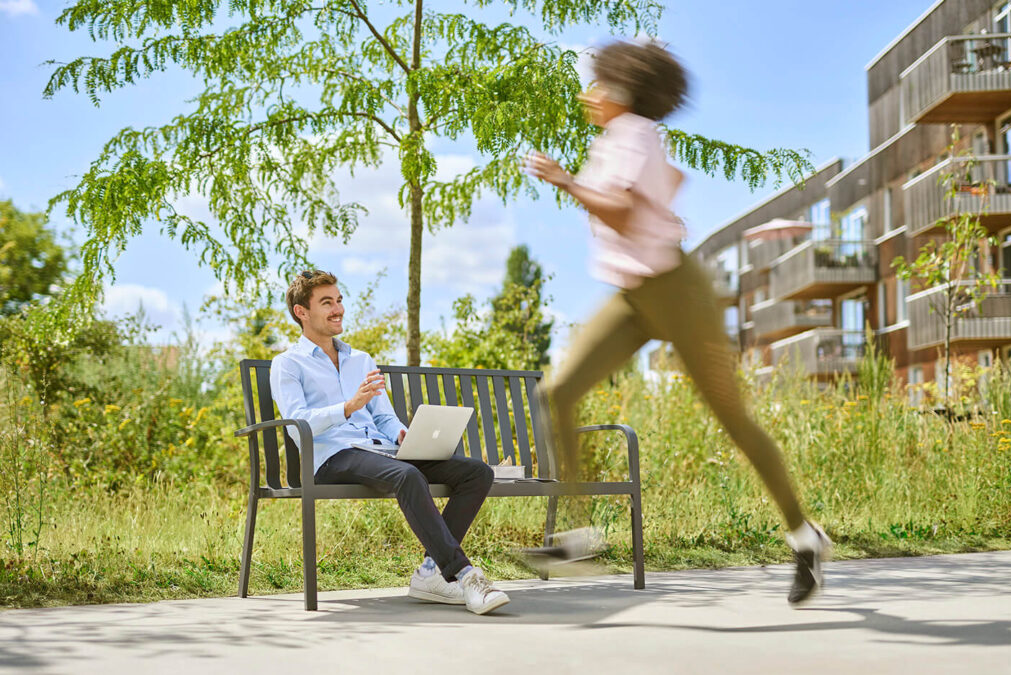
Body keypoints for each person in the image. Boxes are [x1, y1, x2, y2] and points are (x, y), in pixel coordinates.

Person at [523, 40, 832, 604]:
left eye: (598, 86)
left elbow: (617, 207)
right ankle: (578, 536)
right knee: (557, 392)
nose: (588, 94)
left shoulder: (635, 134)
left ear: (620, 92)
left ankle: (803, 535)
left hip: (679, 292)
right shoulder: (623, 139)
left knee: (734, 420)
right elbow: (667, 184)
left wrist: (565, 180)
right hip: (637, 294)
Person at [269, 270, 509, 615]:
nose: (338, 309)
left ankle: (430, 572)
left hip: (381, 452)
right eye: (327, 303)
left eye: (338, 301)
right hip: (332, 457)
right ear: (301, 312)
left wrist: (401, 433)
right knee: (408, 476)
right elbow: (298, 424)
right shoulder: (288, 364)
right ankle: (464, 575)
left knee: (475, 472)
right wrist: (348, 408)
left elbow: (383, 416)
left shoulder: (361, 360)